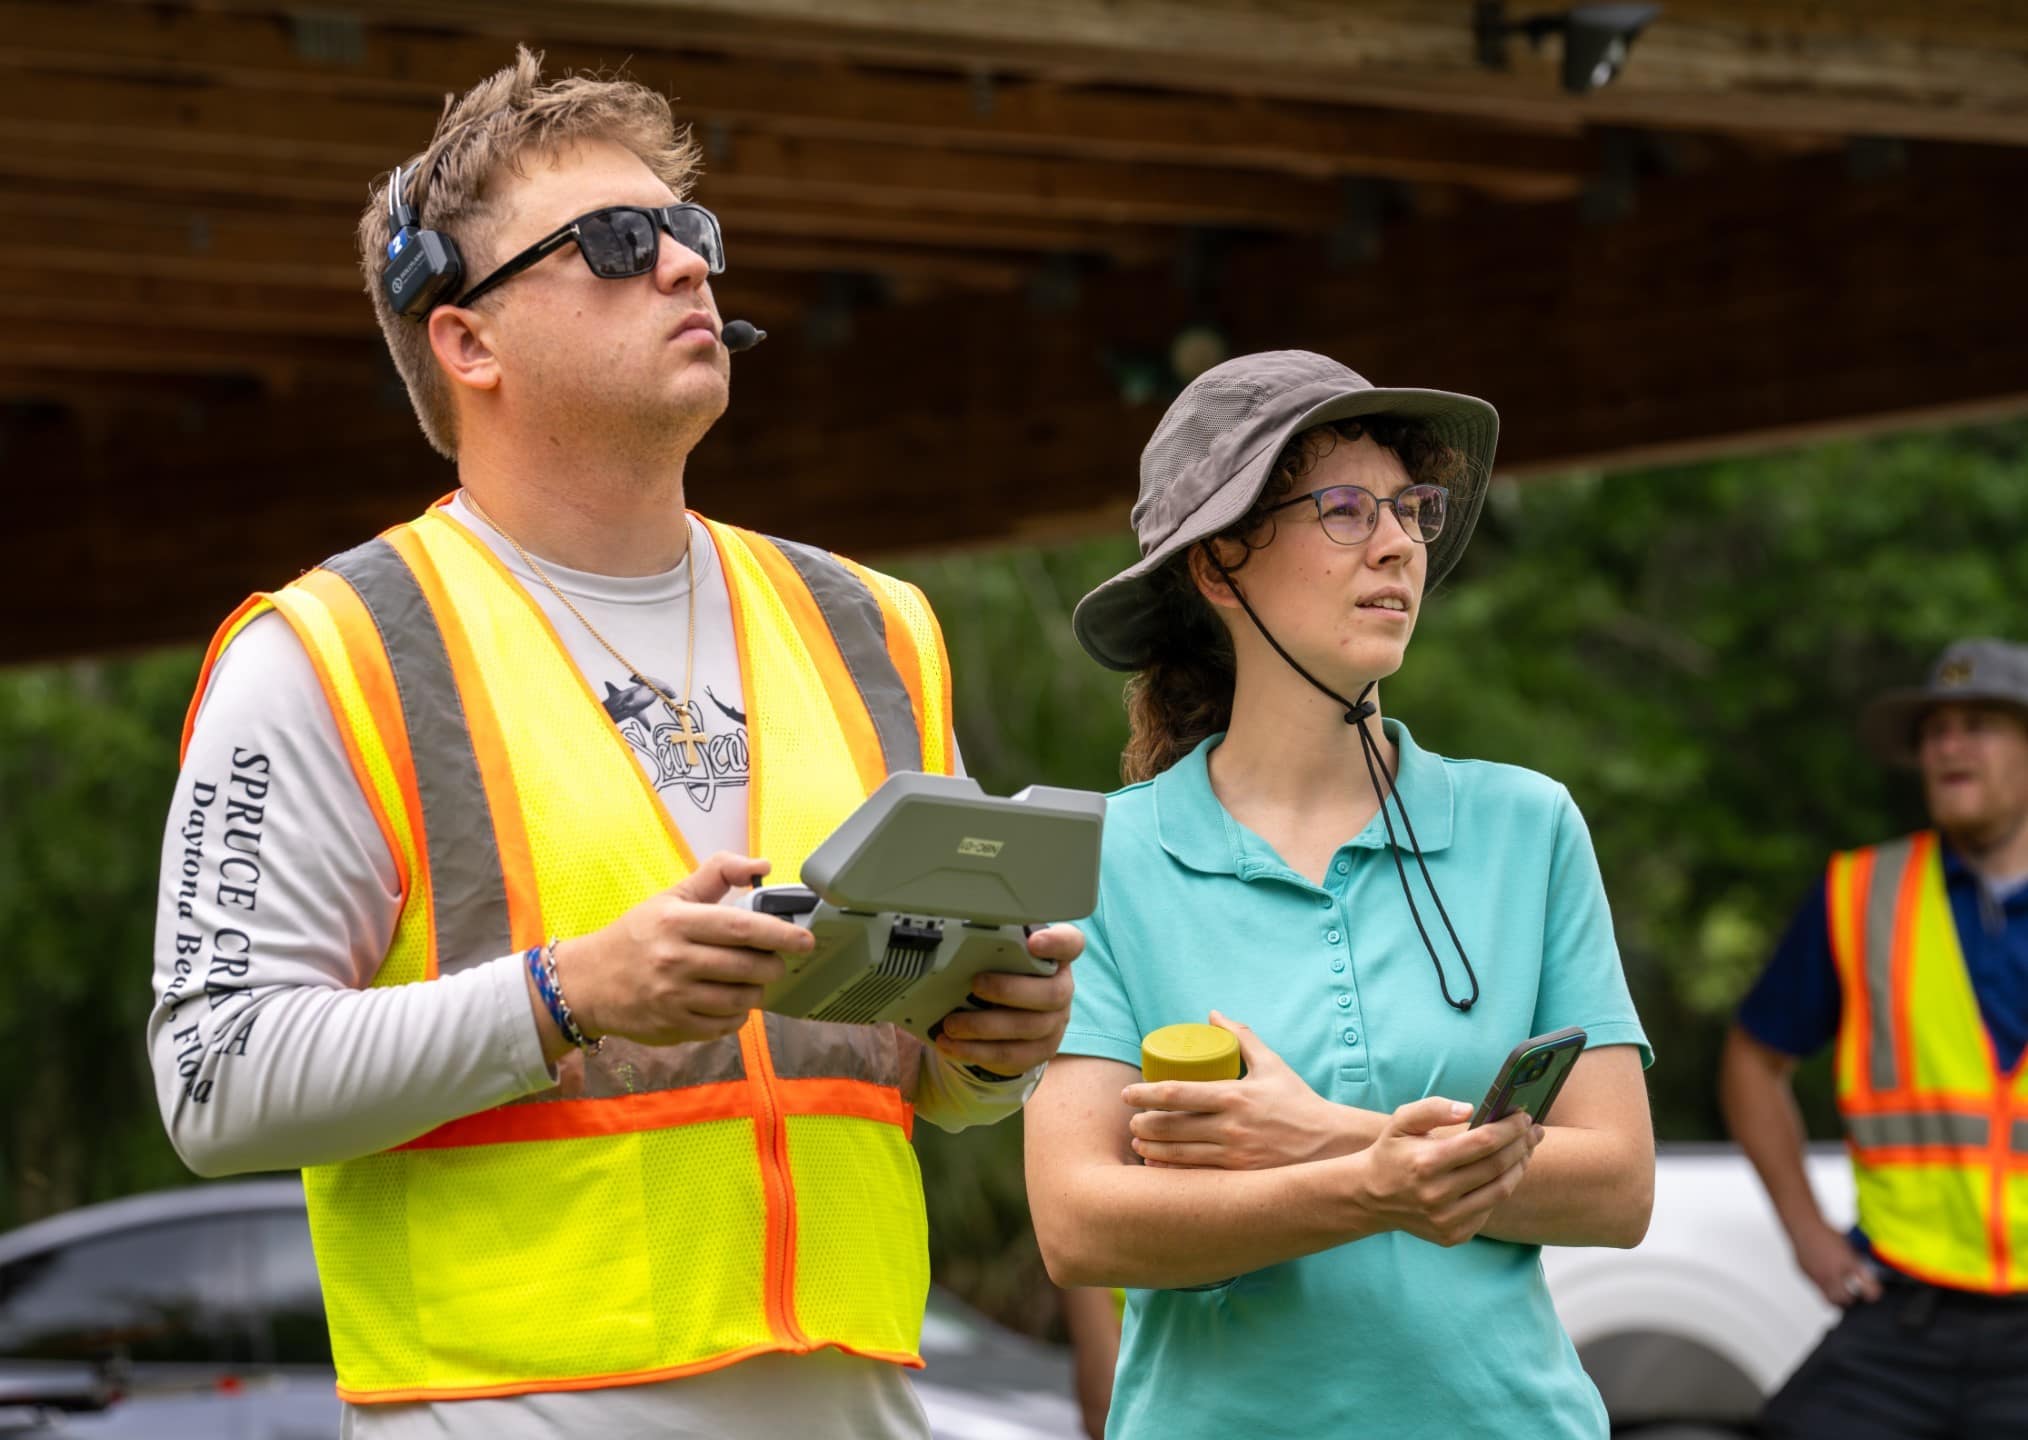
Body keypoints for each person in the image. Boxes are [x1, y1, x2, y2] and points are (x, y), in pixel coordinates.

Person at [144, 49, 1082, 1438]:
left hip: (862, 1403)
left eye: (691, 236)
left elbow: (914, 1077)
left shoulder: (878, 626)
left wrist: (992, 1050)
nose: (690, 270)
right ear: (468, 342)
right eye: (619, 243)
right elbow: (213, 1082)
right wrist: (567, 991)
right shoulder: (330, 651)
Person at [1023, 351, 1655, 1439]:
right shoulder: (1101, 859)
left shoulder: (1528, 825)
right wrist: (1374, 1183)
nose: (1401, 542)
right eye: (1346, 509)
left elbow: (1618, 1189)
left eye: (1411, 508)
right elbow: (1082, 1226)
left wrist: (1321, 1134)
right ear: (1220, 565)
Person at [1720, 638, 2028, 1438]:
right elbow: (1753, 1062)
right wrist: (1809, 1235)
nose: (1948, 746)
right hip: (1903, 1321)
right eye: (1935, 731)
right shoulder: (1863, 893)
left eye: (1979, 725)